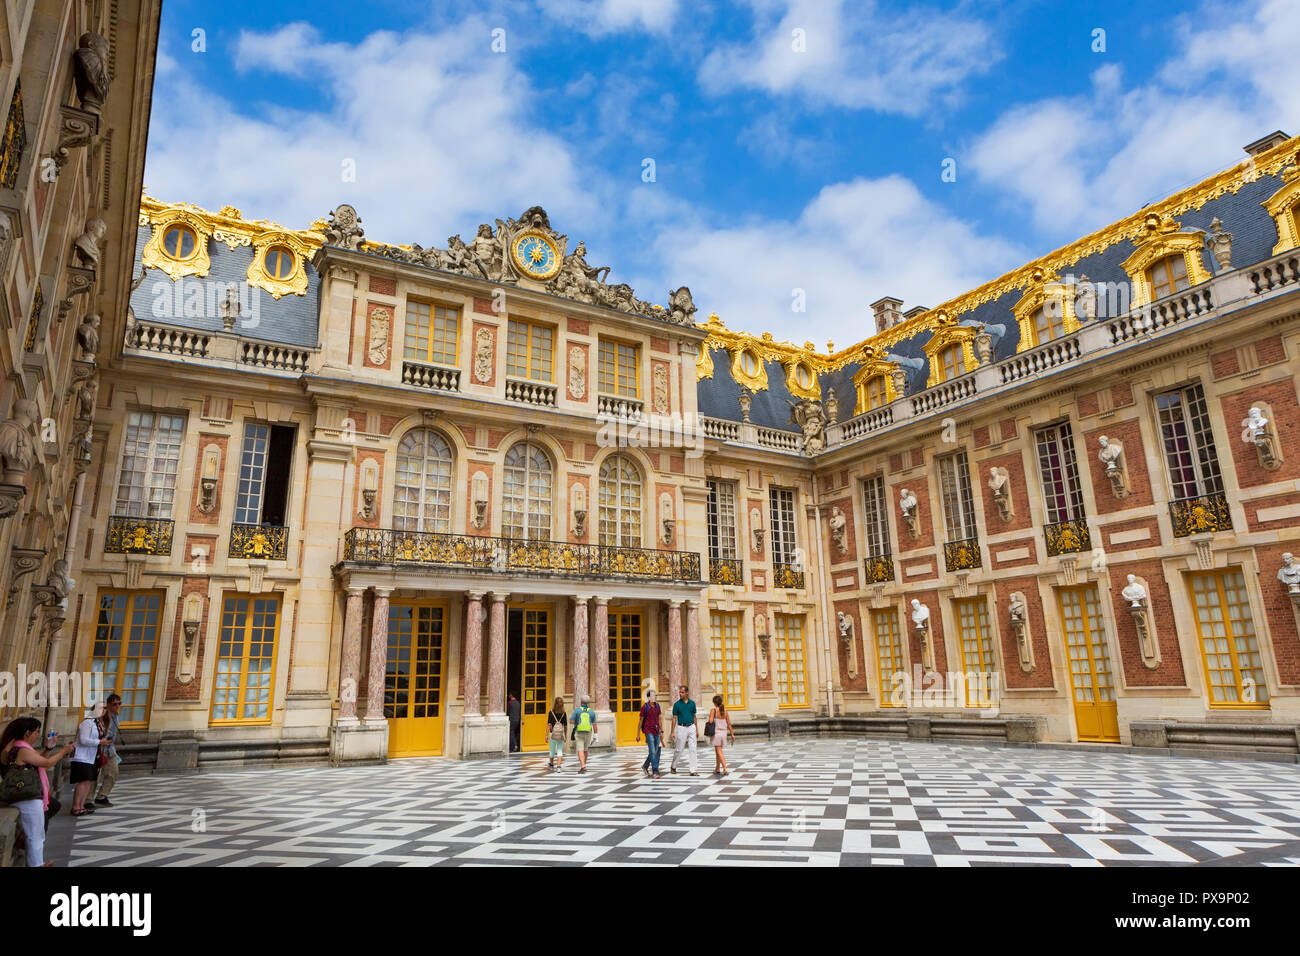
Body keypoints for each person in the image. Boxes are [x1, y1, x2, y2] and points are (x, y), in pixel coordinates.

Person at [1, 717, 75, 866]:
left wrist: (48, 749)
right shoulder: (22, 750)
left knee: (35, 833)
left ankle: (38, 863)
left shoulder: (14, 748)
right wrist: (63, 751)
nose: (37, 735)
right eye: (36, 732)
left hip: (22, 796)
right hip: (27, 797)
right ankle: (36, 865)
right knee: (35, 835)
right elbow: (46, 764)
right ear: (27, 733)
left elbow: (37, 764)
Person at [70, 702, 111, 817]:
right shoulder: (87, 722)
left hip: (91, 757)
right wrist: (100, 742)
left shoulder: (98, 723)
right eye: (101, 708)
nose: (103, 710)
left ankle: (81, 806)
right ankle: (76, 807)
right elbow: (83, 740)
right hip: (82, 757)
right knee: (83, 782)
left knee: (88, 782)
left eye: (105, 708)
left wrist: (103, 741)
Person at [93, 693, 123, 807]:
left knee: (113, 773)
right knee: (95, 776)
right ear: (109, 704)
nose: (117, 706)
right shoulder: (103, 716)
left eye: (119, 704)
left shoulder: (116, 716)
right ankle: (87, 799)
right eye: (114, 704)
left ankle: (102, 796)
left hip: (110, 749)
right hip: (100, 749)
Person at [669, 685, 699, 776]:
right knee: (679, 749)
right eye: (680, 692)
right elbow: (674, 718)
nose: (680, 694)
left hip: (691, 727)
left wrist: (697, 729)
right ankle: (673, 766)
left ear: (686, 693)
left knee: (693, 749)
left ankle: (693, 770)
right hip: (681, 727)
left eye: (682, 692)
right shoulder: (677, 704)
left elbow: (694, 716)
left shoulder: (692, 703)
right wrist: (672, 732)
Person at [636, 689, 663, 778]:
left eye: (655, 696)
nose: (654, 697)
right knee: (652, 751)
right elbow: (640, 721)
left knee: (655, 751)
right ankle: (655, 771)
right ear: (648, 697)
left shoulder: (658, 706)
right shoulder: (645, 707)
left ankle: (645, 766)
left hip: (657, 731)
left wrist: (661, 730)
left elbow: (659, 718)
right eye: (652, 696)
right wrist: (638, 734)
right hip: (648, 731)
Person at [708, 695, 736, 775]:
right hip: (723, 733)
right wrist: (732, 734)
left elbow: (710, 721)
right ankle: (717, 768)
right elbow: (729, 724)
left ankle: (724, 768)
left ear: (714, 703)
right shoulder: (725, 711)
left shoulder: (713, 710)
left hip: (716, 733)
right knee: (717, 751)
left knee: (719, 751)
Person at [570, 694, 597, 773]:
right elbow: (594, 725)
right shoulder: (591, 712)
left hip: (579, 732)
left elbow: (571, 721)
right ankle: (584, 764)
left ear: (581, 701)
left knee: (580, 749)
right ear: (588, 702)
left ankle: (583, 766)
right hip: (588, 732)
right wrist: (596, 735)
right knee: (585, 749)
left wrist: (576, 722)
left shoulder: (577, 710)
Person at [546, 697, 567, 771]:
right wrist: (565, 735)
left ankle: (551, 765)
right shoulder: (564, 713)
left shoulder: (551, 712)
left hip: (552, 734)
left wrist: (546, 735)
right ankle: (558, 766)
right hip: (560, 735)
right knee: (559, 750)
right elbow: (565, 726)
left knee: (552, 750)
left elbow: (549, 724)